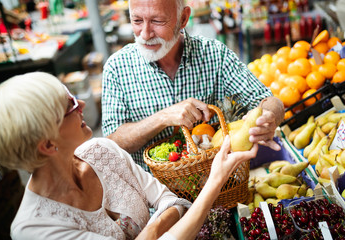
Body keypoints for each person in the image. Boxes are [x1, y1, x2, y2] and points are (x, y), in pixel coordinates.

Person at [0, 72, 258, 240]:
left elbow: (172, 201)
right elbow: (169, 210)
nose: (82, 104)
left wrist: (151, 232)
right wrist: (215, 181)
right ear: (48, 144)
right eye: (70, 105)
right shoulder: (34, 230)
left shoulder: (101, 151)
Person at [101, 0, 285, 171]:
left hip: (220, 189)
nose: (145, 34)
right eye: (137, 20)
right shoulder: (117, 68)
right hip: (154, 200)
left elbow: (269, 101)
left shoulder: (215, 55)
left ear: (183, 18)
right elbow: (112, 142)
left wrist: (269, 117)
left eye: (157, 21)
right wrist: (163, 117)